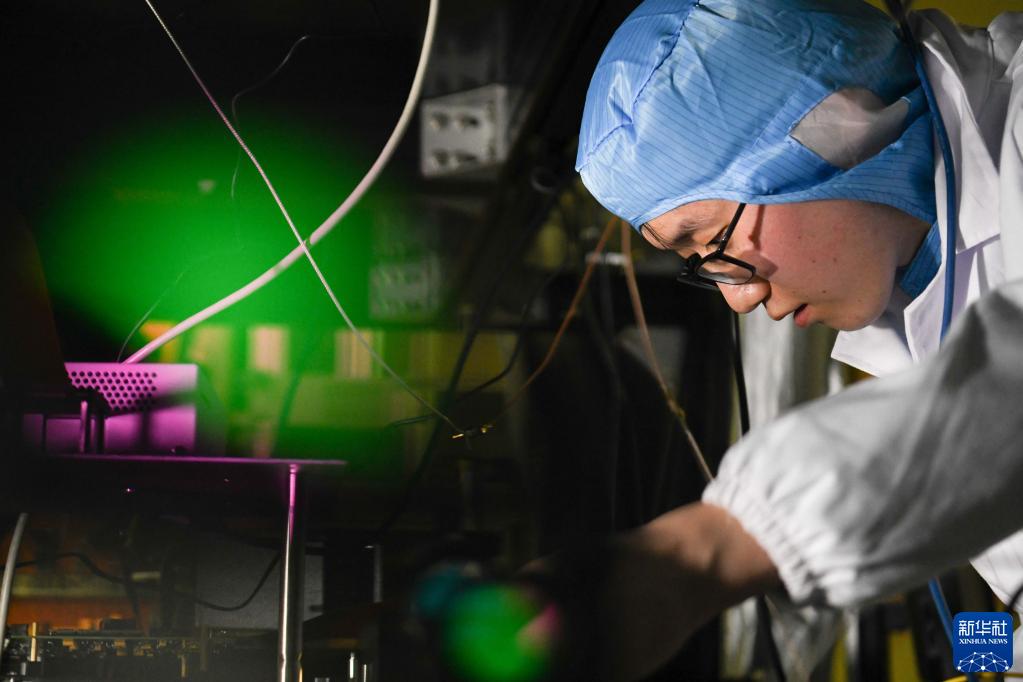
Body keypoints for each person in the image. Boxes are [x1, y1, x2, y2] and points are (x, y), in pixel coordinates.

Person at [562, 0, 1023, 678]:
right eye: (700, 266)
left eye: (711, 242)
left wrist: (706, 554)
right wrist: (990, 658)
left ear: (830, 134)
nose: (740, 297)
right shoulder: (906, 291)